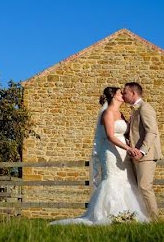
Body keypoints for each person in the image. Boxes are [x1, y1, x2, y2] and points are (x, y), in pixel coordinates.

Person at [49, 86, 148, 226]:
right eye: (121, 93)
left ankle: (128, 214)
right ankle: (109, 213)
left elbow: (124, 133)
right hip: (112, 152)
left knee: (127, 180)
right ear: (114, 96)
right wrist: (128, 148)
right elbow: (110, 136)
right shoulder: (108, 113)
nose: (123, 96)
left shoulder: (120, 114)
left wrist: (131, 124)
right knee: (113, 180)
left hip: (124, 152)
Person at [122, 81, 162, 221]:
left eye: (125, 92)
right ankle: (143, 219)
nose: (123, 94)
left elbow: (152, 132)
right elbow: (135, 133)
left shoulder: (145, 108)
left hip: (146, 155)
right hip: (136, 154)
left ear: (133, 93)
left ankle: (154, 221)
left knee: (145, 187)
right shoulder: (135, 110)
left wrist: (142, 151)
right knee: (139, 188)